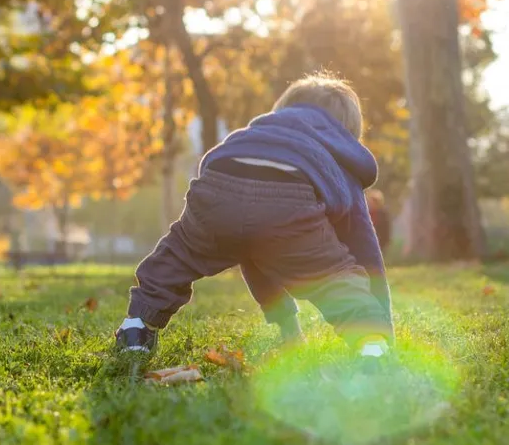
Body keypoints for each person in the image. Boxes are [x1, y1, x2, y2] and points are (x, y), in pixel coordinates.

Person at [116, 75, 393, 358]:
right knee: (333, 277)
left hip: (216, 186)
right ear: (348, 128)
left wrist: (287, 324)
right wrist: (382, 322)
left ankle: (136, 325)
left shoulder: (257, 133)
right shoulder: (339, 156)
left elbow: (252, 246)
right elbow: (364, 249)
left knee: (177, 257)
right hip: (290, 199)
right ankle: (372, 347)